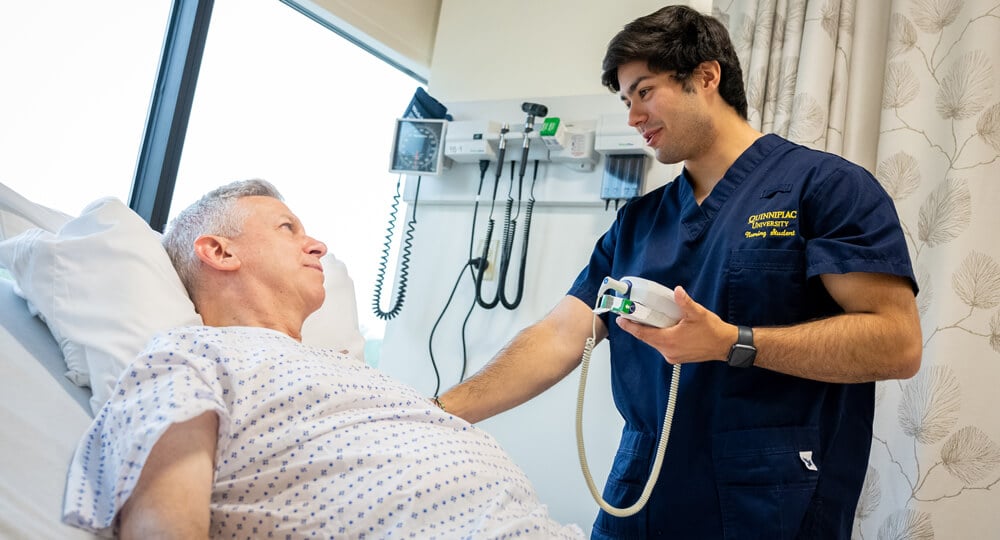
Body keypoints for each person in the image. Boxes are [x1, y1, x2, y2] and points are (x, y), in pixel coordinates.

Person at [438, 5, 921, 539]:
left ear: (706, 76)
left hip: (768, 496)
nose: (632, 117)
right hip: (641, 491)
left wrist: (732, 343)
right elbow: (558, 336)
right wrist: (440, 412)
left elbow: (897, 343)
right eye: (625, 101)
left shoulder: (826, 188)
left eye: (644, 91)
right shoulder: (638, 223)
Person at [61, 179, 583, 539]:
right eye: (287, 228)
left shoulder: (342, 369)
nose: (317, 246)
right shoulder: (191, 354)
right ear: (219, 252)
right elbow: (164, 522)